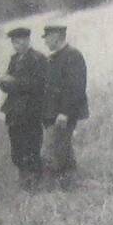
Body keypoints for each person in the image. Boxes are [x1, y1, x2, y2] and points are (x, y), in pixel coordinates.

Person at [0, 26, 47, 190]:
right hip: (14, 111)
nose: (16, 45)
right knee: (17, 146)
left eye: (19, 41)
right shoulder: (14, 59)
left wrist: (14, 82)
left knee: (32, 145)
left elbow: (39, 85)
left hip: (30, 111)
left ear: (27, 40)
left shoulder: (38, 59)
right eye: (14, 42)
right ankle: (24, 178)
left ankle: (36, 180)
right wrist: (7, 82)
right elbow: (5, 83)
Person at [41, 24, 89, 184]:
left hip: (63, 115)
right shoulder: (54, 57)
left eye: (47, 37)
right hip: (52, 114)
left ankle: (56, 187)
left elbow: (76, 88)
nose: (45, 41)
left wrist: (65, 113)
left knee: (52, 151)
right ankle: (69, 185)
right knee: (63, 149)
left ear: (56, 36)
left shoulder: (73, 56)